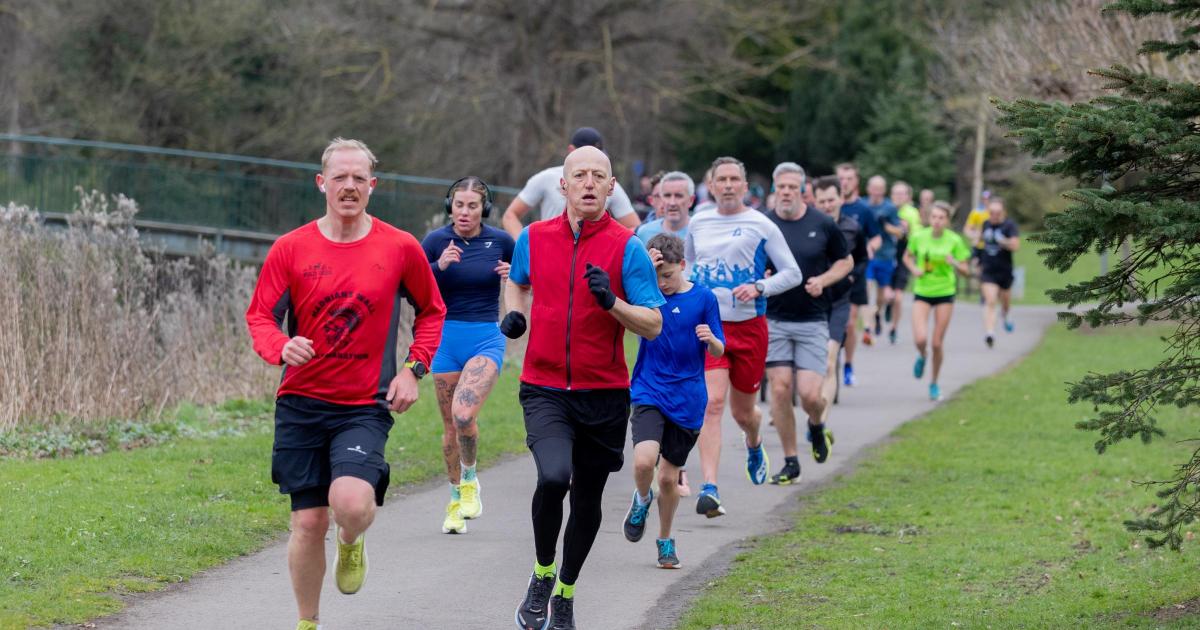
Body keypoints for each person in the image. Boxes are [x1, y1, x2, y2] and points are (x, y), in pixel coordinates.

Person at [245, 138, 447, 630]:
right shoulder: (290, 248)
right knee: (309, 523)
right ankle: (307, 622)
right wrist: (280, 347)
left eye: (359, 178)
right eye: (340, 178)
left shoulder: (399, 247)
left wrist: (413, 370)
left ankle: (352, 540)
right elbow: (259, 318)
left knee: (350, 505)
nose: (350, 186)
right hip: (300, 402)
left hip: (364, 403)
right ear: (322, 184)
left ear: (372, 187)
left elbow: (433, 312)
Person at [503, 146, 665, 630]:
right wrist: (514, 314)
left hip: (604, 395)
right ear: (564, 185)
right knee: (554, 478)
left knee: (588, 498)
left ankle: (567, 593)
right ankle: (541, 575)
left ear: (612, 188)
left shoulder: (627, 246)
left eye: (599, 176)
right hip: (544, 386)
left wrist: (611, 301)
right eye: (581, 176)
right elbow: (518, 281)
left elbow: (653, 323)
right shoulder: (533, 236)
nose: (589, 183)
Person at [686, 156, 803, 517]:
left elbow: (792, 272)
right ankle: (710, 487)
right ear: (711, 183)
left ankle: (754, 442)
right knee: (712, 404)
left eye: (734, 179)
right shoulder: (699, 220)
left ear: (744, 184)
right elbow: (690, 266)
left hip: (749, 327)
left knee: (744, 413)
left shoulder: (760, 224)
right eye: (721, 179)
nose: (727, 185)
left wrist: (760, 286)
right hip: (710, 326)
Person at [622, 233, 724, 568]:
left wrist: (711, 340)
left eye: (668, 275)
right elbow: (617, 300)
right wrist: (643, 273)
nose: (663, 284)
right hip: (649, 390)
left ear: (682, 265)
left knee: (668, 478)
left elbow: (720, 347)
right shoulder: (645, 297)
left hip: (688, 400)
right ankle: (641, 499)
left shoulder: (704, 298)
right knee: (642, 462)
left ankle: (665, 539)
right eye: (657, 276)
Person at [421, 177, 515, 535]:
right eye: (459, 205)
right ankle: (455, 500)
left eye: (472, 205)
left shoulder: (502, 242)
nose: (464, 212)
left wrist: (515, 276)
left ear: (484, 209)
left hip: (484, 338)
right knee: (449, 428)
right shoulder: (435, 242)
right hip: (444, 339)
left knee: (463, 415)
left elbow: (531, 280)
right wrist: (438, 268)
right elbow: (409, 286)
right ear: (450, 206)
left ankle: (471, 479)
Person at [763, 164, 852, 485]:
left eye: (792, 187)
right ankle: (790, 461)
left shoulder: (823, 223)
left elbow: (846, 261)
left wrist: (824, 280)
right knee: (781, 388)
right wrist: (762, 277)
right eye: (781, 187)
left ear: (803, 191)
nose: (786, 192)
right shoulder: (764, 222)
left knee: (810, 395)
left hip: (813, 318)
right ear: (775, 188)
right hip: (775, 318)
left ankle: (816, 426)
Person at [501, 127, 641, 238]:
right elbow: (510, 216)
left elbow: (635, 227)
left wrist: (612, 246)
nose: (589, 184)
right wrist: (527, 250)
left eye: (597, 152)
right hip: (551, 252)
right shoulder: (546, 178)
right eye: (580, 175)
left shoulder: (609, 184)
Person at [811, 176, 867, 429]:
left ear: (841, 199)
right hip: (810, 304)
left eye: (831, 200)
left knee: (829, 360)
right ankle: (813, 411)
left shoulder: (853, 227)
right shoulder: (808, 226)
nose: (827, 205)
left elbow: (862, 258)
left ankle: (820, 425)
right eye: (821, 201)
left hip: (839, 302)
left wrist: (852, 275)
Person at [902, 201, 971, 402]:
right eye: (934, 217)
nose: (937, 221)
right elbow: (907, 257)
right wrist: (914, 269)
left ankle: (933, 383)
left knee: (937, 342)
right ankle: (922, 356)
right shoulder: (918, 237)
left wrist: (955, 263)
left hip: (945, 292)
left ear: (947, 221)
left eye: (941, 218)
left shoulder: (955, 241)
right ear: (929, 218)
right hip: (922, 290)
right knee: (921, 339)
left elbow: (967, 271)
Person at [835, 163, 880, 386]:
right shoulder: (829, 207)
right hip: (830, 273)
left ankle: (848, 364)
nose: (845, 182)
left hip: (854, 274)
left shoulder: (864, 210)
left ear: (856, 182)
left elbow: (876, 236)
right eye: (841, 178)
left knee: (850, 324)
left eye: (849, 178)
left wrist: (870, 246)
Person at [861, 175, 903, 346]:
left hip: (885, 255)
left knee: (880, 297)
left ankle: (877, 314)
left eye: (880, 189)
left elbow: (899, 232)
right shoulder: (862, 204)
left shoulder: (890, 207)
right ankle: (867, 328)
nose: (877, 192)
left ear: (884, 191)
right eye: (874, 188)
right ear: (869, 189)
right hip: (866, 254)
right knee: (867, 289)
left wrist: (886, 225)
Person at [978, 196, 1020, 347]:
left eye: (997, 212)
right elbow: (980, 243)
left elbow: (1016, 246)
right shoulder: (985, 224)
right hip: (988, 270)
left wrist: (1004, 241)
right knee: (990, 301)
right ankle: (990, 333)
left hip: (1004, 271)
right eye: (991, 212)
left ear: (1003, 212)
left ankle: (1006, 314)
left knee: (1005, 303)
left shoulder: (1009, 226)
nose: (994, 216)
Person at [885, 181, 923, 345]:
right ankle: (887, 306)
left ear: (908, 197)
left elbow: (917, 236)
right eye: (896, 193)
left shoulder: (912, 213)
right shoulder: (885, 210)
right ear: (891, 195)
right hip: (885, 256)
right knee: (886, 295)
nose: (899, 197)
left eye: (902, 194)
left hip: (903, 257)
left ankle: (894, 328)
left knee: (899, 297)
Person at [635, 171, 694, 245]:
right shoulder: (644, 233)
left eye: (679, 196)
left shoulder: (701, 232)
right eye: (667, 195)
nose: (672, 202)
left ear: (691, 200)